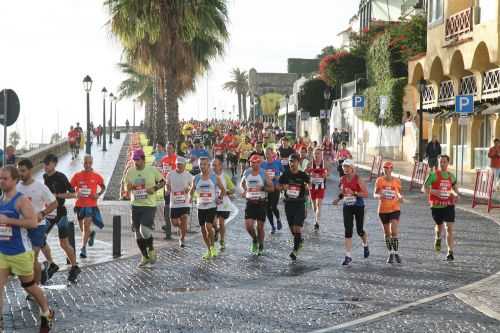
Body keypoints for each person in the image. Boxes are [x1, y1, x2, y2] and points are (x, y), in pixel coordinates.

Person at [0, 166, 54, 332]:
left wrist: (9, 220)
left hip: (20, 252)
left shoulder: (21, 200)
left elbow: (32, 222)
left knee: (30, 286)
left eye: (5, 178)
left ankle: (46, 312)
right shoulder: (0, 200)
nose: (1, 181)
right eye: (0, 178)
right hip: (2, 252)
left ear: (15, 180)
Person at [17, 159, 58, 286]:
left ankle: (36, 287)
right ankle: (41, 269)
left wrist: (42, 213)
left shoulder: (40, 187)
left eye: (23, 171)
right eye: (19, 171)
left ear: (30, 170)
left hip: (37, 227)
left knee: (32, 257)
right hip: (22, 228)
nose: (20, 173)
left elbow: (54, 203)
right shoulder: (16, 187)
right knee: (26, 259)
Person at [42, 154, 81, 283]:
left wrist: (57, 195)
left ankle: (75, 267)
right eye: (44, 163)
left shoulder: (61, 177)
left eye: (47, 163)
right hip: (49, 212)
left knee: (64, 243)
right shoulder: (45, 177)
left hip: (60, 213)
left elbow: (73, 194)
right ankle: (52, 264)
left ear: (54, 163)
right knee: (40, 238)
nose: (45, 166)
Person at [125, 149, 165, 267]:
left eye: (137, 160)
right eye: (134, 160)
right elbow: (126, 187)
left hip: (149, 205)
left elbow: (163, 182)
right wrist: (129, 187)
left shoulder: (152, 170)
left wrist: (154, 188)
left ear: (143, 159)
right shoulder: (130, 171)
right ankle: (145, 256)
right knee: (137, 233)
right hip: (135, 205)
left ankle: (151, 249)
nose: (135, 162)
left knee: (144, 230)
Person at [333, 159, 369, 266]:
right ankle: (348, 256)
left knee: (359, 231)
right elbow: (343, 192)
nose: (345, 169)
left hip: (358, 206)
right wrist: (338, 199)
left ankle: (365, 244)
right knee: (348, 230)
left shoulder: (358, 179)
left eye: (348, 167)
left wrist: (355, 193)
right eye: (344, 167)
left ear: (352, 168)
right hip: (347, 206)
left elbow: (366, 194)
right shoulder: (342, 179)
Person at [69, 155, 106, 259]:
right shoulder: (77, 175)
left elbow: (103, 186)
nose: (87, 165)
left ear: (92, 163)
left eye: (89, 163)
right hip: (79, 205)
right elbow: (70, 188)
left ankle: (83, 248)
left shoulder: (96, 176)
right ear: (83, 163)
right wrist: (76, 193)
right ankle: (91, 234)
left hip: (91, 205)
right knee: (82, 228)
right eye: (86, 163)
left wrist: (98, 194)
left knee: (86, 226)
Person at [424, 155, 459, 261]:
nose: (443, 164)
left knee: (449, 228)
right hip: (436, 205)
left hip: (449, 205)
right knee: (439, 227)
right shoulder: (433, 175)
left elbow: (453, 188)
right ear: (439, 163)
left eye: (444, 162)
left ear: (448, 163)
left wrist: (455, 194)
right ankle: (438, 238)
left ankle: (450, 252)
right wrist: (435, 192)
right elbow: (425, 187)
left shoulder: (451, 176)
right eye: (441, 162)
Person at [190, 157, 225, 260]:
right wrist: (190, 197)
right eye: (201, 164)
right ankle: (209, 249)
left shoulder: (215, 177)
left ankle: (213, 246)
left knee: (208, 226)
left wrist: (219, 198)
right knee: (203, 230)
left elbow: (223, 190)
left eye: (205, 164)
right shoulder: (196, 178)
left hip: (211, 206)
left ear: (209, 166)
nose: (202, 166)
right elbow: (192, 190)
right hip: (200, 207)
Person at [279, 154, 310, 261]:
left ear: (298, 163)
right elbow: (279, 186)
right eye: (290, 161)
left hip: (300, 203)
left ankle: (295, 250)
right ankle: (299, 241)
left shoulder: (303, 175)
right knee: (293, 230)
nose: (292, 163)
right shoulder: (285, 174)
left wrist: (306, 205)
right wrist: (283, 187)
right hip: (288, 204)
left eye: (294, 161)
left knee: (297, 227)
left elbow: (308, 187)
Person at [240, 154, 273, 255]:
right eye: (251, 162)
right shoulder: (247, 172)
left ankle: (261, 244)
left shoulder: (264, 173)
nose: (253, 164)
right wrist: (244, 191)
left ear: (260, 163)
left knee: (260, 227)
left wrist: (262, 188)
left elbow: (272, 188)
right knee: (249, 226)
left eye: (255, 163)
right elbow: (242, 184)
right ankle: (254, 239)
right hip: (250, 202)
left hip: (261, 202)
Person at [374, 161, 403, 264]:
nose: (386, 170)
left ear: (392, 169)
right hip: (383, 210)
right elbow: (375, 193)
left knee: (394, 231)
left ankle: (396, 252)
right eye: (384, 168)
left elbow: (398, 193)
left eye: (388, 168)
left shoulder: (397, 181)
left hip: (395, 208)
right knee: (387, 233)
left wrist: (400, 197)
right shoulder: (379, 180)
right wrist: (379, 196)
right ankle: (390, 253)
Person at [167, 157, 192, 248]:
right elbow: (167, 184)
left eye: (181, 164)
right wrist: (168, 189)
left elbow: (191, 185)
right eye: (178, 164)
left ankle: (182, 239)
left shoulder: (188, 175)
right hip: (174, 202)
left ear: (185, 165)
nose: (179, 166)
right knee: (174, 222)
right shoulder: (170, 174)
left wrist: (188, 189)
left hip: (184, 202)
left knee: (184, 218)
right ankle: (180, 227)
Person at [213, 157, 235, 251]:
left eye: (215, 165)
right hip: (212, 204)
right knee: (213, 223)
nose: (213, 167)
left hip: (224, 204)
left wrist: (226, 193)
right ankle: (216, 230)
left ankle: (222, 240)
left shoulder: (225, 176)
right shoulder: (209, 176)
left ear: (220, 166)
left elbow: (233, 190)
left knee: (221, 223)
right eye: (212, 165)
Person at [261, 147, 283, 233]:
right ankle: (272, 226)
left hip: (275, 188)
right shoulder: (263, 164)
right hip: (266, 189)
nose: (267, 155)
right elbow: (260, 174)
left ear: (272, 154)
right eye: (266, 153)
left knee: (273, 206)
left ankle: (278, 219)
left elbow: (284, 173)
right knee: (267, 208)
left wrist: (278, 177)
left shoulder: (277, 163)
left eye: (269, 153)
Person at [307, 148, 328, 230]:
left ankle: (317, 222)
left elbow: (328, 171)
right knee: (314, 206)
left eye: (318, 153)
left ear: (321, 154)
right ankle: (316, 216)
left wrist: (325, 175)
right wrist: (309, 176)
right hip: (312, 187)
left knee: (319, 205)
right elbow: (305, 173)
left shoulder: (324, 163)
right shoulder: (310, 163)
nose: (317, 155)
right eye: (315, 153)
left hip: (321, 187)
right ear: (313, 154)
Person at [160, 143, 177, 238]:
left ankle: (174, 224)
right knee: (166, 206)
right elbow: (162, 170)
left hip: (175, 186)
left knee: (173, 206)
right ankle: (168, 226)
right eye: (167, 148)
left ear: (174, 149)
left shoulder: (176, 159)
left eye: (170, 148)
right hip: (166, 185)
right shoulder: (164, 159)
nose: (168, 150)